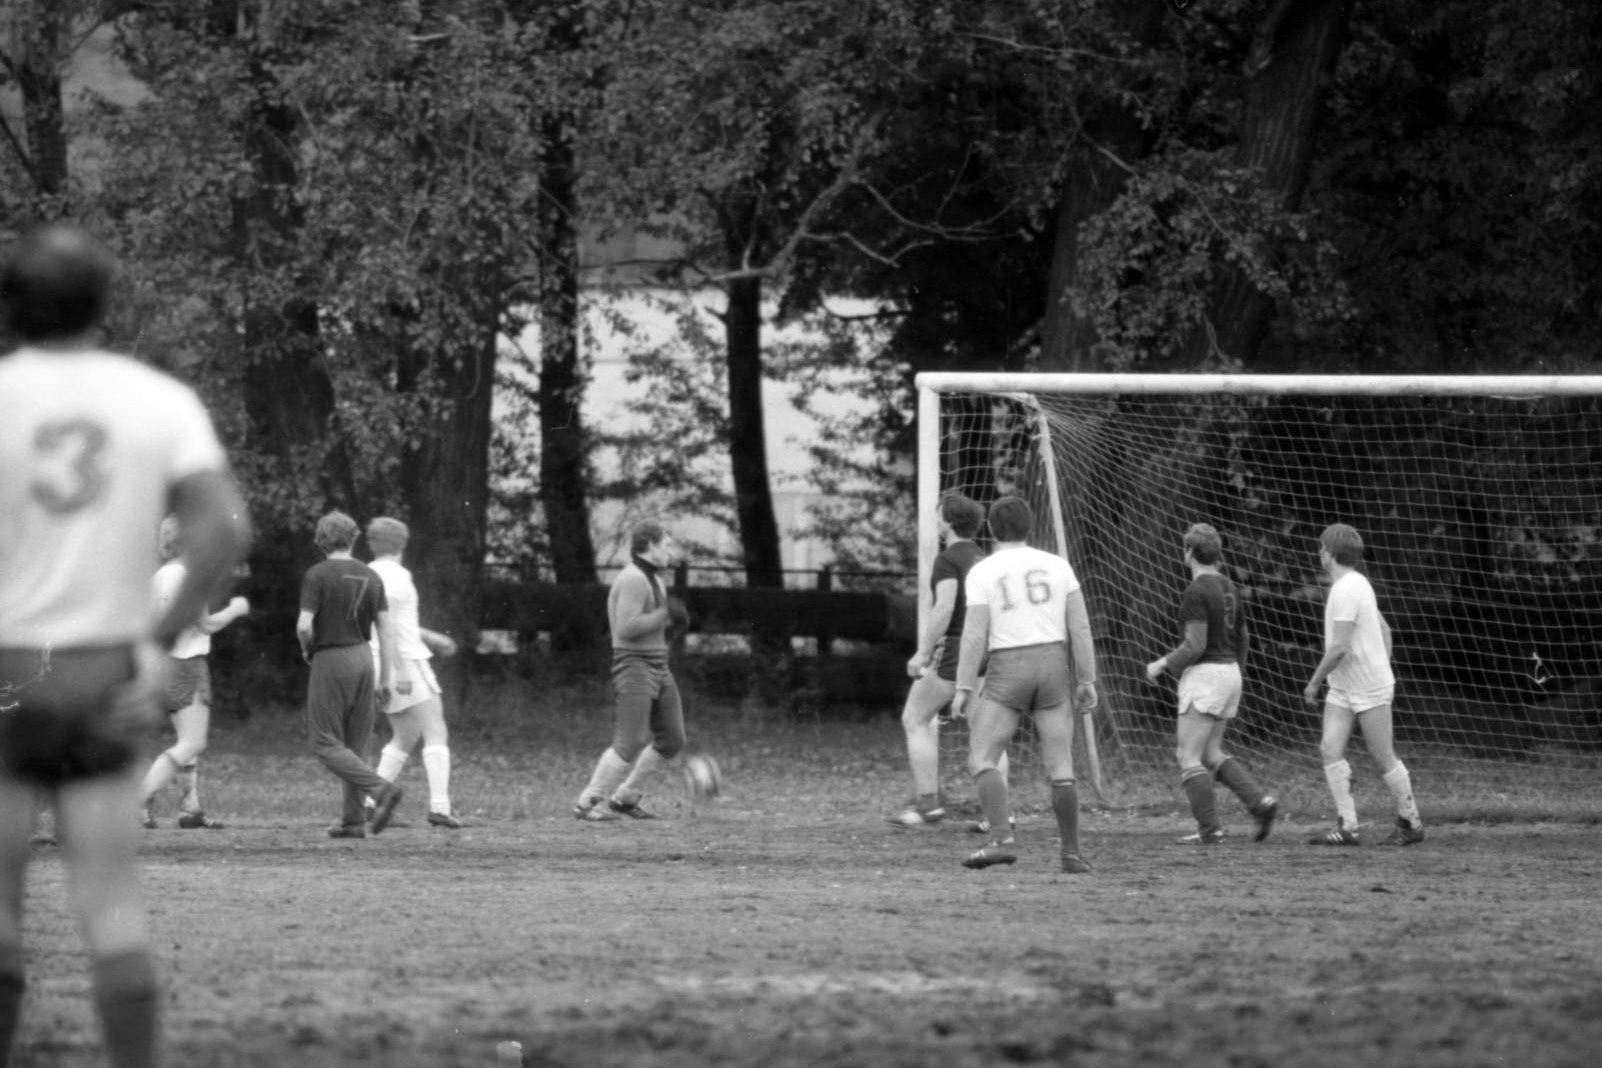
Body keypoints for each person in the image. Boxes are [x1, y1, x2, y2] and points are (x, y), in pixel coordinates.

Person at [0, 221, 251, 1068]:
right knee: (109, 905)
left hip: (8, 673)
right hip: (104, 672)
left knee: (1, 911)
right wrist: (156, 637)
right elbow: (222, 531)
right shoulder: (156, 400)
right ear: (103, 305)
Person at [951, 496, 1099, 874]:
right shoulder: (1058, 566)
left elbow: (974, 635)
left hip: (1009, 665)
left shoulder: (982, 572)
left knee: (982, 756)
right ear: (1030, 526)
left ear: (991, 529)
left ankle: (1000, 839)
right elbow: (1080, 627)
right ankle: (1071, 853)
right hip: (1052, 664)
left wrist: (963, 686)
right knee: (1060, 762)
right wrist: (1087, 678)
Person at [1144, 523, 1279, 845]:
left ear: (1188, 553)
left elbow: (1194, 645)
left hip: (1206, 676)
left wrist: (1161, 664)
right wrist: (1237, 673)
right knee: (1210, 752)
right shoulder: (1229, 586)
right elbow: (1244, 636)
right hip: (1230, 672)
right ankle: (1260, 803)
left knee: (1187, 756)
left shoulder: (1196, 591)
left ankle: (1210, 829)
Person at [888, 493, 1011, 827]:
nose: (935, 516)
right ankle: (1000, 814)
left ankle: (928, 805)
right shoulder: (983, 558)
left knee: (915, 718)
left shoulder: (948, 560)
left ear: (947, 520)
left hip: (957, 647)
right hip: (990, 648)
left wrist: (923, 652)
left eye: (938, 512)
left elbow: (944, 607)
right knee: (986, 732)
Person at [1303, 523, 1425, 846]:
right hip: (1344, 686)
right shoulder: (1358, 583)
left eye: (1321, 548)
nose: (1319, 553)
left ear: (1328, 554)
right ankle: (1348, 826)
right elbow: (1385, 630)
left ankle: (1411, 822)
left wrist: (1314, 682)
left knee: (1382, 754)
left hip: (1368, 688)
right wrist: (1382, 663)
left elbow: (1339, 647)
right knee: (1330, 748)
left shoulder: (1346, 590)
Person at [139, 516, 251, 831]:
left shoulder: (159, 576)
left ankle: (191, 808)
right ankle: (138, 800)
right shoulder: (188, 577)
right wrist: (236, 609)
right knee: (191, 742)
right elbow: (206, 624)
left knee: (187, 739)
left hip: (168, 663)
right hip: (188, 663)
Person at [572, 520, 689, 822]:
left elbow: (654, 626)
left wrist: (672, 625)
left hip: (658, 665)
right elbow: (628, 628)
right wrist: (665, 614)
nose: (670, 550)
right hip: (634, 665)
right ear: (649, 545)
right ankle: (587, 802)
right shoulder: (634, 579)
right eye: (665, 544)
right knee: (631, 740)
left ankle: (625, 797)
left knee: (672, 739)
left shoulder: (656, 580)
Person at [297, 511, 403, 839]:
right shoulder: (372, 577)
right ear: (353, 538)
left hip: (332, 657)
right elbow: (386, 630)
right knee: (356, 743)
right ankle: (354, 820)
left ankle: (381, 789)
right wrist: (386, 677)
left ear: (321, 540)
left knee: (324, 740)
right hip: (363, 657)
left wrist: (307, 648)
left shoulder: (317, 575)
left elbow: (303, 625)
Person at [363, 516, 466, 829]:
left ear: (371, 543)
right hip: (403, 660)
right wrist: (403, 669)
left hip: (377, 660)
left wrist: (431, 637)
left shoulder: (366, 573)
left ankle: (371, 802)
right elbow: (392, 626)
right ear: (403, 544)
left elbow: (388, 621)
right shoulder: (397, 575)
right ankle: (440, 807)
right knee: (436, 729)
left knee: (405, 735)